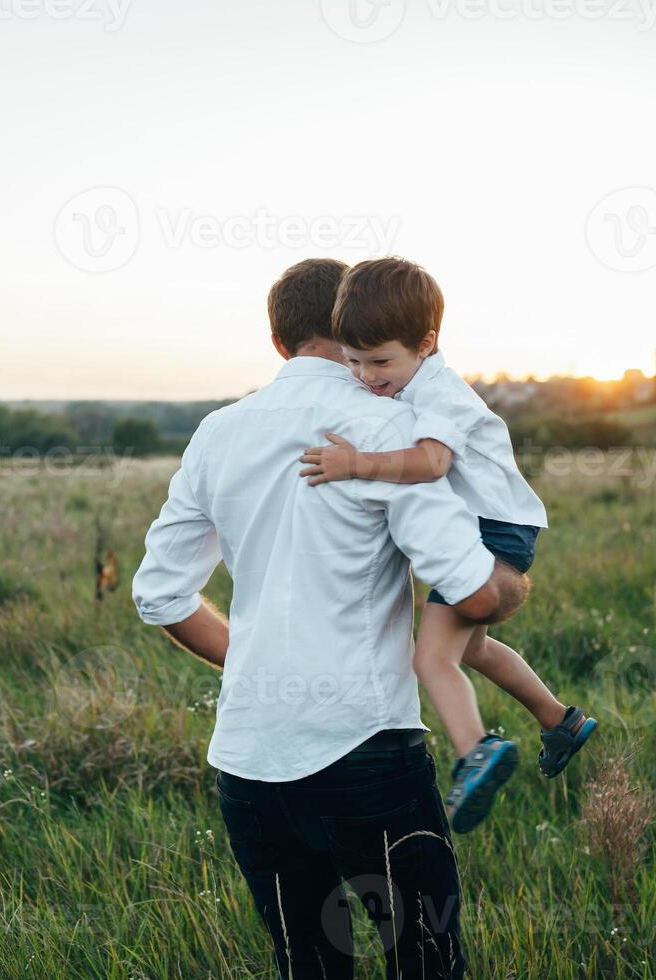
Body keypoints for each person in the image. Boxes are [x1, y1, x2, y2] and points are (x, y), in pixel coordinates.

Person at [131, 257, 529, 980]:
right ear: (347, 329)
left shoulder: (216, 434)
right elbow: (470, 594)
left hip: (248, 763)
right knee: (426, 961)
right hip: (367, 751)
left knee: (306, 962)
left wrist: (260, 663)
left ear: (278, 342)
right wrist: (510, 582)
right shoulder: (386, 429)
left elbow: (160, 596)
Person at [297, 258, 597, 833]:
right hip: (489, 525)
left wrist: (354, 463)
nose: (365, 375)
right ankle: (561, 720)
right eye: (353, 361)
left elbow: (433, 463)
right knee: (472, 650)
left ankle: (475, 750)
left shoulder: (441, 391)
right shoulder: (408, 381)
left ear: (427, 343)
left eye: (380, 360)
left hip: (490, 528)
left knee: (430, 657)